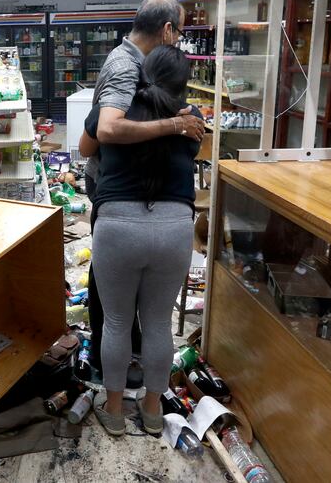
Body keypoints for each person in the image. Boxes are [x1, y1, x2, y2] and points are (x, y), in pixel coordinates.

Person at [80, 0, 205, 380]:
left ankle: (118, 382)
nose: (180, 38)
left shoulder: (139, 70)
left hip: (123, 204)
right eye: (180, 31)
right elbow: (108, 129)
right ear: (167, 30)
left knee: (120, 306)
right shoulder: (126, 67)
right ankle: (128, 377)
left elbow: (91, 137)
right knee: (133, 312)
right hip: (123, 192)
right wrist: (174, 124)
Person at [87, 45, 200, 436]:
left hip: (117, 225)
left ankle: (115, 412)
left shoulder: (113, 113)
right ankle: (152, 412)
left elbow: (87, 147)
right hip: (175, 226)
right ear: (185, 85)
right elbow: (186, 152)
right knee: (157, 323)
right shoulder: (192, 119)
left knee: (116, 321)